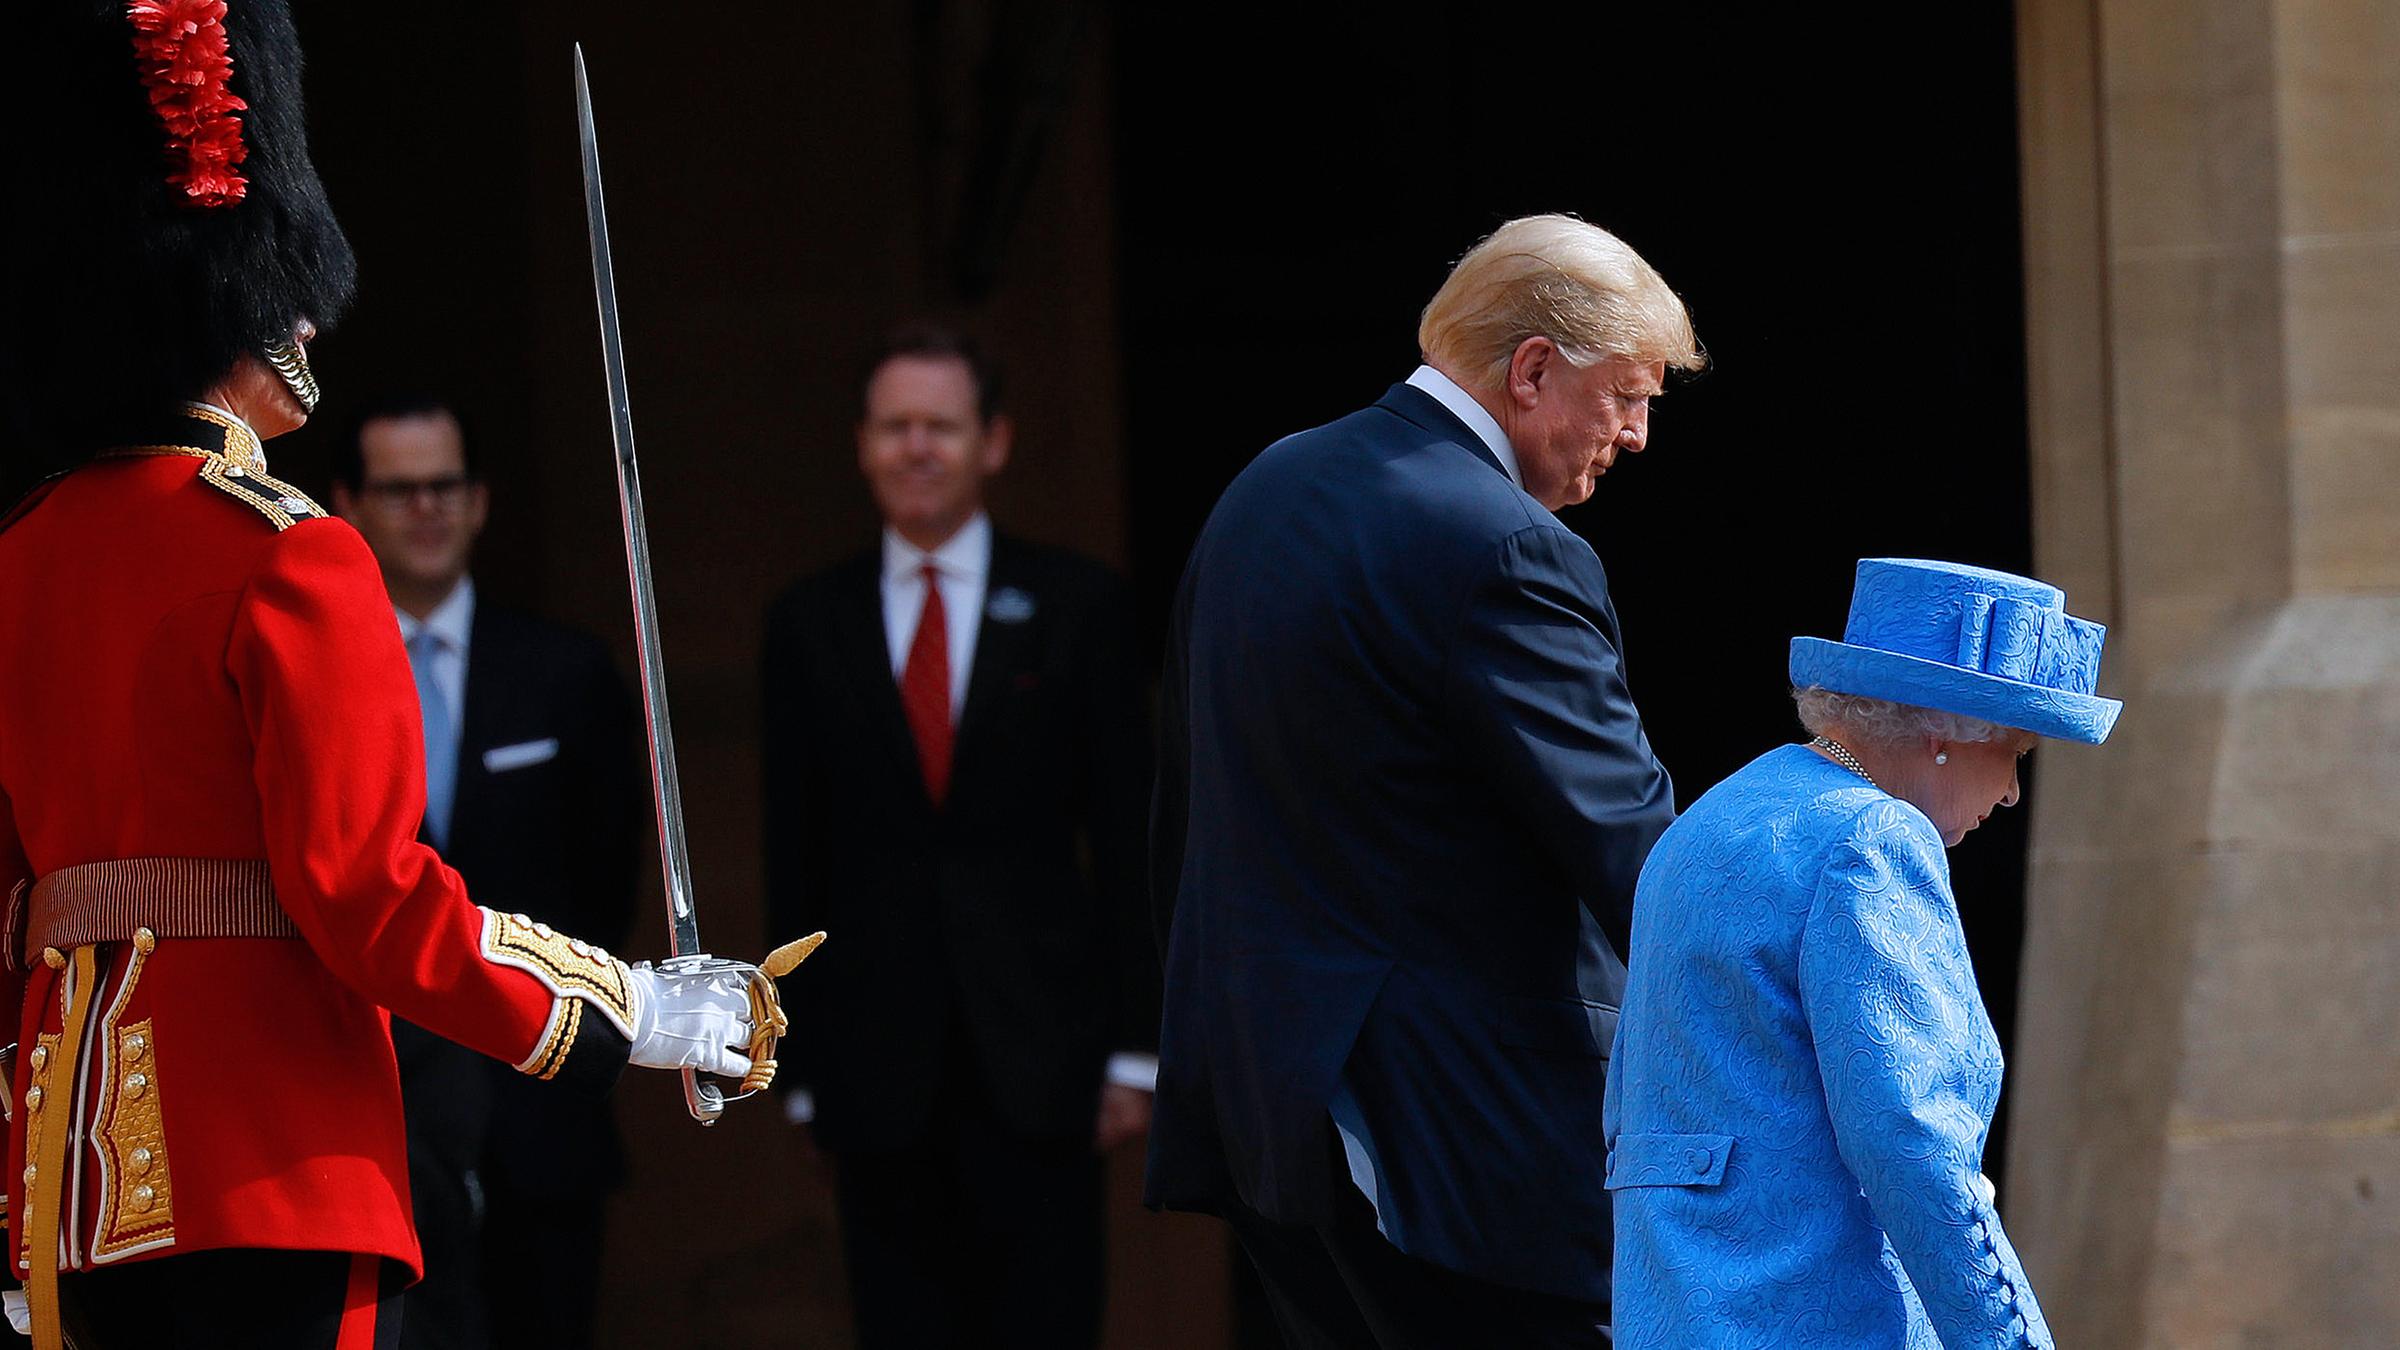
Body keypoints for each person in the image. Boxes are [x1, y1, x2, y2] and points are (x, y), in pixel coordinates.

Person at [0, 6, 771, 1347]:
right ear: (233, 290)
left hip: (70, 1184)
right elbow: (366, 894)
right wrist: (632, 1008)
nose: (309, 316)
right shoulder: (289, 553)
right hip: (271, 1166)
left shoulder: (23, 554)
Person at [1147, 214, 1704, 1348]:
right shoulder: (1506, 544)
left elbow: (1187, 805)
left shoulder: (1263, 486)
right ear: (1533, 370)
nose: (1638, 435)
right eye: (1626, 396)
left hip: (1280, 1127)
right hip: (1463, 1155)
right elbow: (1638, 853)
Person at [1603, 558, 2120, 1349]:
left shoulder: (1711, 817)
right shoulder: (1873, 835)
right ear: (1946, 733)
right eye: (2015, 751)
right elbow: (1912, 1140)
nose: (2014, 791)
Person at [761, 324, 1156, 1349]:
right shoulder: (808, 622)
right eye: (895, 426)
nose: (917, 448)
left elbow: (1130, 839)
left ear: (995, 441)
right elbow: (792, 853)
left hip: (1044, 1061)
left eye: (941, 426)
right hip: (874, 1067)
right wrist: (791, 1059)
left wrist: (1137, 1051)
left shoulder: (1080, 606)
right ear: (862, 445)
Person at [330, 395, 648, 1350]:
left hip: (538, 1100)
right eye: (399, 490)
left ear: (479, 501)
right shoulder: (319, 677)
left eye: (446, 485)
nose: (426, 507)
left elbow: (607, 883)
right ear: (348, 506)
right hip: (376, 1110)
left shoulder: (564, 671)